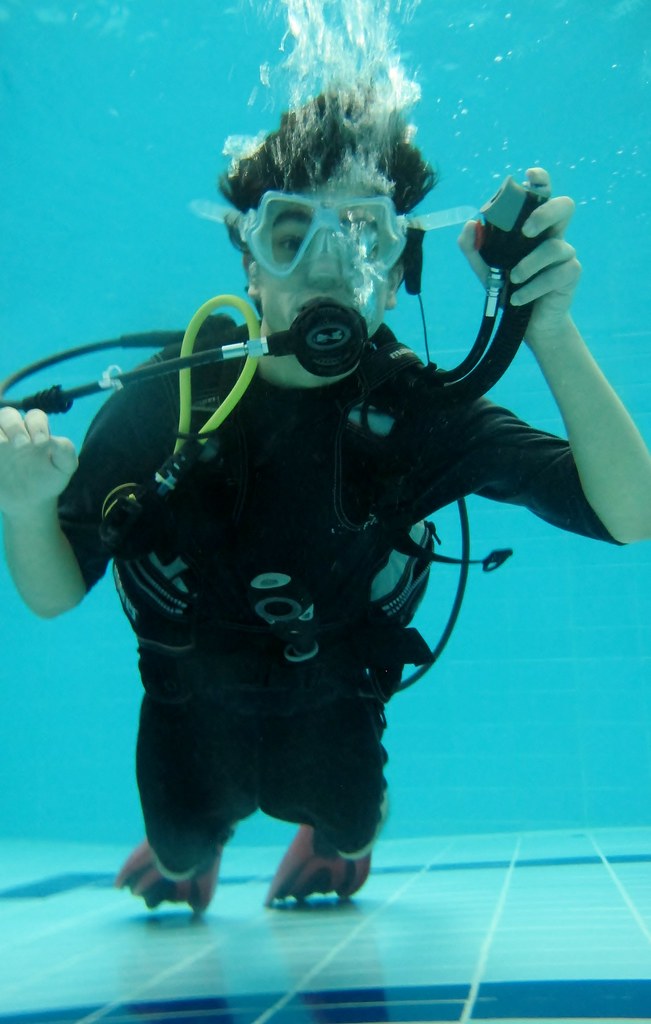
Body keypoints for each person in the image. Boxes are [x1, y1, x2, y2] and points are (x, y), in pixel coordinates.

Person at [1, 90, 650, 914]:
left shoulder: (418, 413)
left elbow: (630, 513)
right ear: (250, 264)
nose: (325, 265)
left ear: (398, 271)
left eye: (362, 236)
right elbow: (56, 593)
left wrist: (547, 327)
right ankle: (190, 849)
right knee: (178, 846)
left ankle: (338, 834)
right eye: (290, 236)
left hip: (339, 681)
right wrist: (26, 510)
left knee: (347, 824)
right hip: (187, 683)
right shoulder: (165, 403)